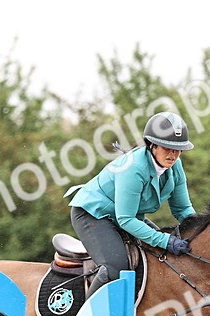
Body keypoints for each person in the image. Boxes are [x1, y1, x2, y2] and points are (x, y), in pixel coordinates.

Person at [67, 111, 197, 299]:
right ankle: (87, 314)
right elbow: (125, 219)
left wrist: (200, 230)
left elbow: (182, 210)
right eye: (167, 148)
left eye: (178, 149)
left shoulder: (176, 167)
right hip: (92, 214)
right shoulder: (134, 168)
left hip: (126, 217)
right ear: (152, 145)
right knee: (116, 267)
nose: (173, 154)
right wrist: (165, 240)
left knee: (161, 256)